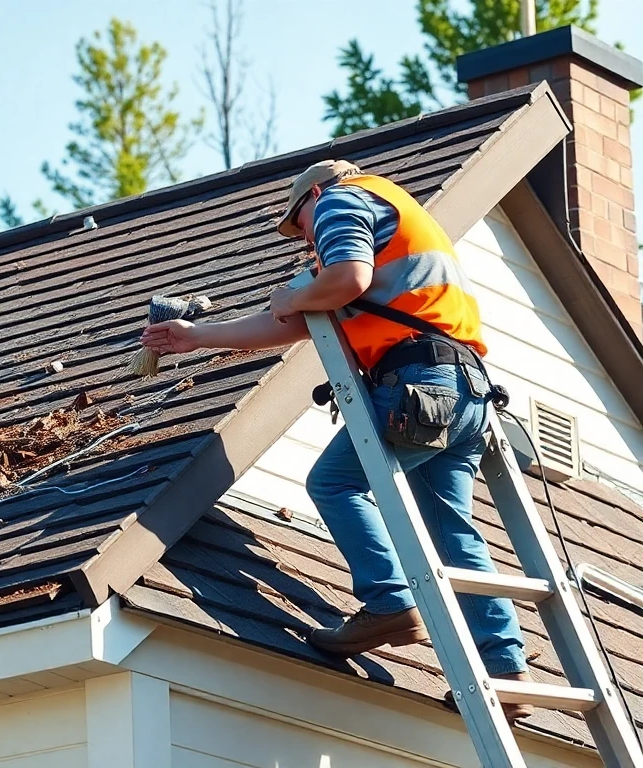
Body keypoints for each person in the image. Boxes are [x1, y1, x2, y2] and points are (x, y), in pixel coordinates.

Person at [141, 160, 532, 719]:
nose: (306, 243)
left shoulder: (338, 202)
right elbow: (297, 321)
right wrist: (197, 336)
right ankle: (504, 665)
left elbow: (347, 280)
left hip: (416, 384)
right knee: (454, 534)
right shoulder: (396, 218)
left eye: (300, 228)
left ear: (314, 196)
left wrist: (296, 293)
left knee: (334, 482)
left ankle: (390, 602)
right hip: (465, 392)